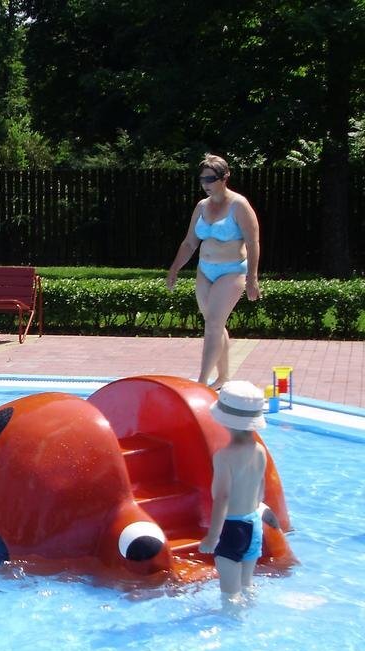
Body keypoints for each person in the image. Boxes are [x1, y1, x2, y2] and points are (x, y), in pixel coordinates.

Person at [167, 154, 261, 389]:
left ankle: (201, 384)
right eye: (202, 179)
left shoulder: (239, 205)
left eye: (210, 179)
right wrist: (175, 268)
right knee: (214, 323)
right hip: (205, 271)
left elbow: (253, 243)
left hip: (232, 271)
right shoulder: (201, 206)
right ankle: (223, 377)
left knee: (213, 325)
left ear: (224, 177)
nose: (205, 184)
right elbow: (190, 242)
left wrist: (252, 278)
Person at [198, 380, 268, 608]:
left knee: (230, 595)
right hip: (254, 524)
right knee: (247, 586)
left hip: (232, 528)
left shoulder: (224, 457)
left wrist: (213, 537)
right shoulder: (260, 451)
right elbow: (261, 489)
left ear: (225, 421)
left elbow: (223, 498)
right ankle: (251, 619)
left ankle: (234, 622)